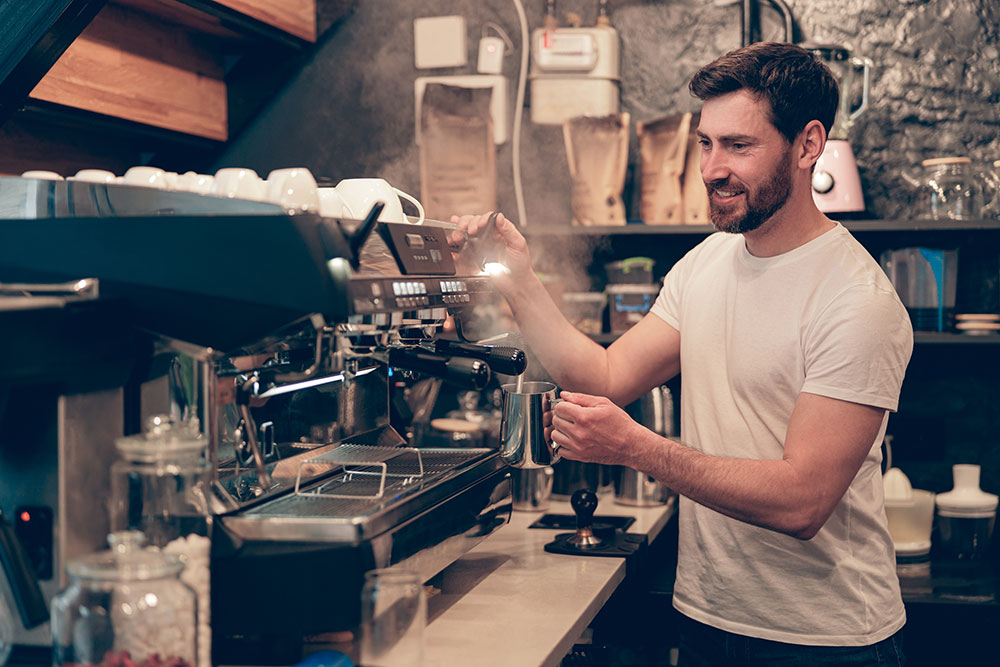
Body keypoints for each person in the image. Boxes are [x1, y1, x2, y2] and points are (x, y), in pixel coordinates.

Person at [452, 42, 913, 666]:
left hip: (823, 639)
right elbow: (607, 375)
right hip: (706, 616)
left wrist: (635, 448)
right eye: (706, 143)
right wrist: (518, 279)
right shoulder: (708, 263)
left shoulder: (856, 301)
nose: (712, 168)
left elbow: (803, 501)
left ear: (808, 146)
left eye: (739, 146)